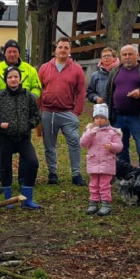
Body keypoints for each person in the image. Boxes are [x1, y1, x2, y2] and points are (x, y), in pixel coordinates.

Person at [0, 40, 42, 187]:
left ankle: (23, 180)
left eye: (15, 51)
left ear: (19, 53)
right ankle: (2, 180)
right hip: (3, 122)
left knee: (26, 156)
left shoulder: (29, 70)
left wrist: (29, 100)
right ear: (4, 53)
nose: (12, 54)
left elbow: (37, 87)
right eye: (9, 51)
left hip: (23, 118)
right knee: (1, 155)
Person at [0, 66, 42, 210]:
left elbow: (36, 114)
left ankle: (27, 198)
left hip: (23, 137)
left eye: (16, 76)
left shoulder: (28, 96)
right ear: (6, 80)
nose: (13, 79)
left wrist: (30, 124)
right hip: (5, 137)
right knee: (5, 167)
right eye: (10, 77)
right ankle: (8, 200)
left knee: (32, 162)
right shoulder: (1, 97)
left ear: (20, 78)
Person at [103, 44, 140, 185]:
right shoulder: (115, 71)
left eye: (130, 54)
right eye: (124, 55)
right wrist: (106, 115)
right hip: (118, 117)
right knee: (121, 150)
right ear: (120, 57)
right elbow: (108, 93)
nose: (127, 57)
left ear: (137, 55)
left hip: (138, 118)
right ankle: (127, 181)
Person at [38, 37, 86, 186]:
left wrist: (76, 113)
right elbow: (39, 90)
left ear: (70, 50)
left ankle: (76, 174)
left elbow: (81, 92)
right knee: (49, 145)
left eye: (66, 47)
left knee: (74, 143)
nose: (63, 50)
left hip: (67, 112)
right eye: (60, 47)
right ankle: (52, 173)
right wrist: (38, 112)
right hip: (47, 112)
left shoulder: (76, 68)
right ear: (56, 50)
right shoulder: (45, 67)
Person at [79, 104, 123, 216]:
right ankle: (93, 203)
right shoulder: (89, 130)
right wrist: (90, 133)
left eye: (102, 118)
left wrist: (112, 146)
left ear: (107, 119)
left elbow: (119, 146)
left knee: (104, 185)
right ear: (93, 119)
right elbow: (83, 143)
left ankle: (106, 204)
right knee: (93, 184)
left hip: (107, 164)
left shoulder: (113, 132)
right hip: (93, 163)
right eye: (97, 118)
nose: (99, 120)